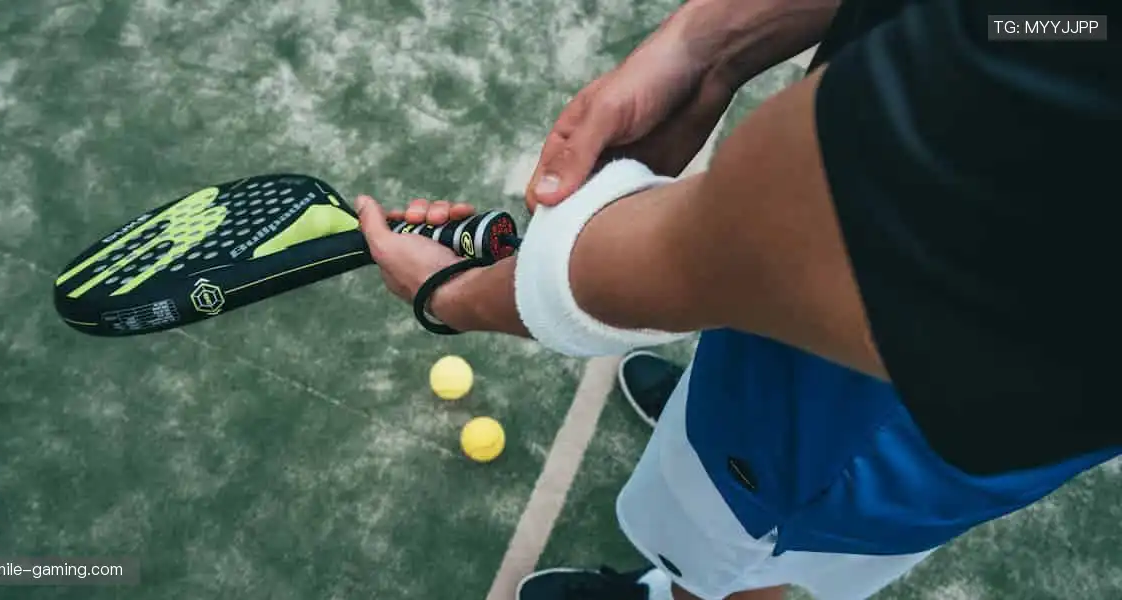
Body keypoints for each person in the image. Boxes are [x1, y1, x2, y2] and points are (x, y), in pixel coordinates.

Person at [354, 0, 1120, 597]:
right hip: (917, 360)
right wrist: (707, 44)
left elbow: (728, 252)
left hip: (857, 422)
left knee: (729, 545)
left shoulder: (1028, 80)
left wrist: (451, 295)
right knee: (741, 466)